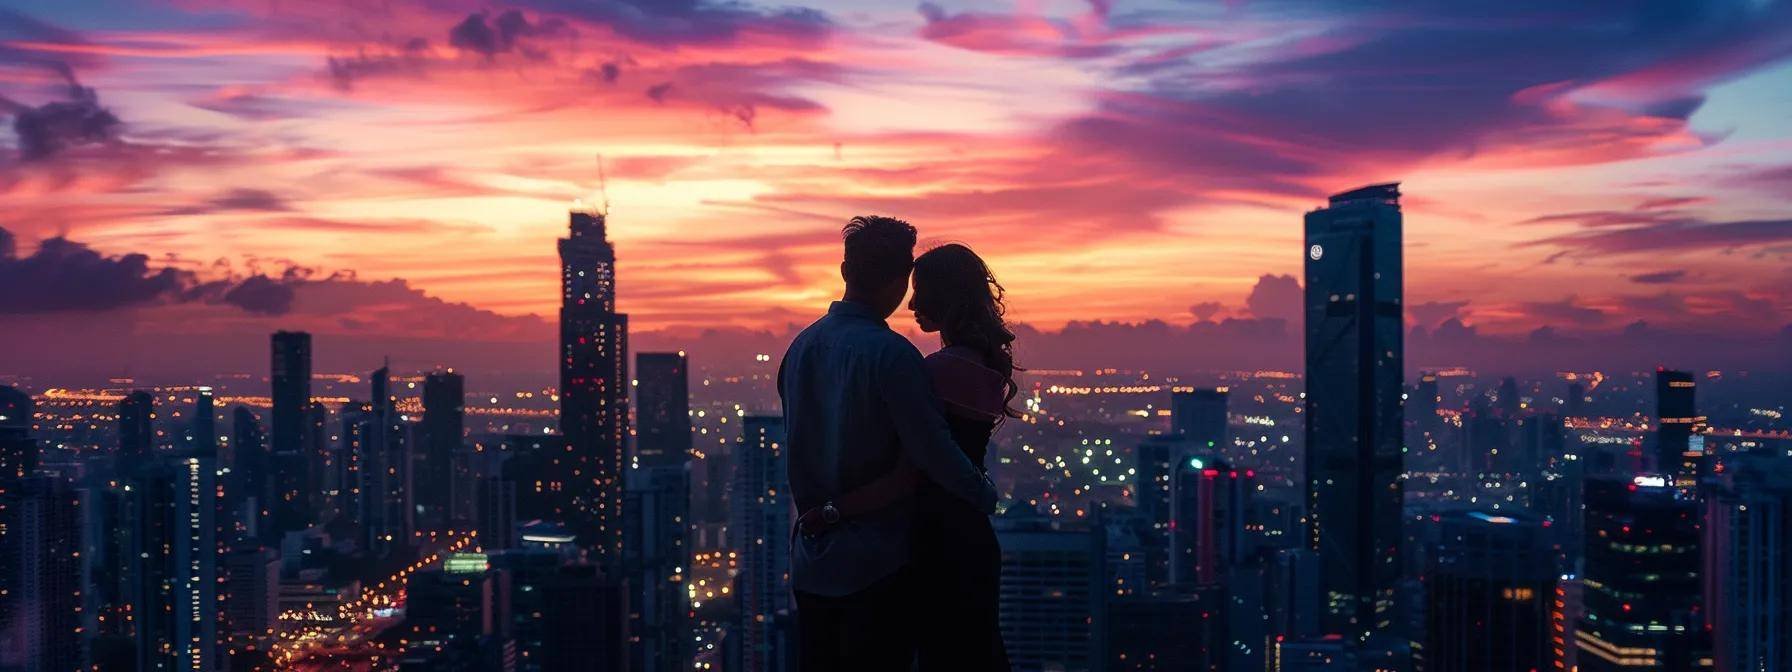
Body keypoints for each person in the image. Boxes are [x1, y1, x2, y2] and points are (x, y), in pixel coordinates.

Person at [782, 216, 998, 671]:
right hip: (877, 566)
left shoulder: (800, 349)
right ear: (902, 280)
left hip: (812, 561)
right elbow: (932, 454)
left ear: (845, 272)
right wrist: (983, 495)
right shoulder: (894, 356)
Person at [907, 243, 1016, 670]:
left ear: (947, 296)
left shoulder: (938, 371)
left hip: (940, 537)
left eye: (923, 291)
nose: (912, 303)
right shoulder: (980, 365)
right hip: (968, 530)